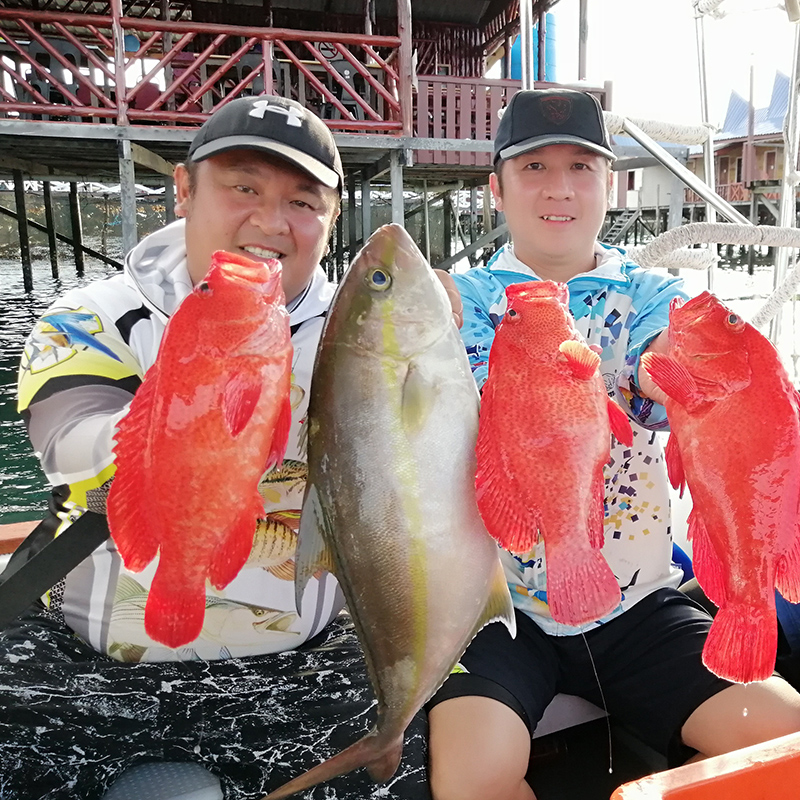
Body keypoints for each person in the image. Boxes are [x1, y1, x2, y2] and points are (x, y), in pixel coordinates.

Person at [0, 96, 429, 800]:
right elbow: (68, 449)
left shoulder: (365, 338)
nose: (270, 220)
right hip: (90, 665)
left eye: (303, 201)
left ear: (329, 219)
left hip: (304, 664)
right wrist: (198, 394)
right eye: (244, 187)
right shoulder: (91, 316)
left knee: (404, 769)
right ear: (184, 188)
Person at [427, 88, 800, 800]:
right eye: (534, 168)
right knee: (470, 783)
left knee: (785, 746)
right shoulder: (466, 301)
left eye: (581, 167)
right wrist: (416, 308)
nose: (559, 188)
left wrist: (680, 374)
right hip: (495, 613)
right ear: (495, 190)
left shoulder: (654, 294)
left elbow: (673, 363)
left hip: (638, 608)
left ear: (611, 184)